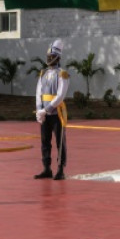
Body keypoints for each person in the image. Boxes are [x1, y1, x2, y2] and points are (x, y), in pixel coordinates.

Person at [33, 39, 69, 180]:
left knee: (60, 141)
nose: (49, 58)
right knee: (45, 141)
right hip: (44, 113)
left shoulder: (62, 74)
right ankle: (46, 168)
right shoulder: (43, 73)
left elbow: (60, 95)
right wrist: (39, 110)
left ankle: (60, 169)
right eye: (48, 56)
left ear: (58, 57)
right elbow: (38, 92)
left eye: (52, 56)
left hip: (57, 112)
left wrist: (46, 109)